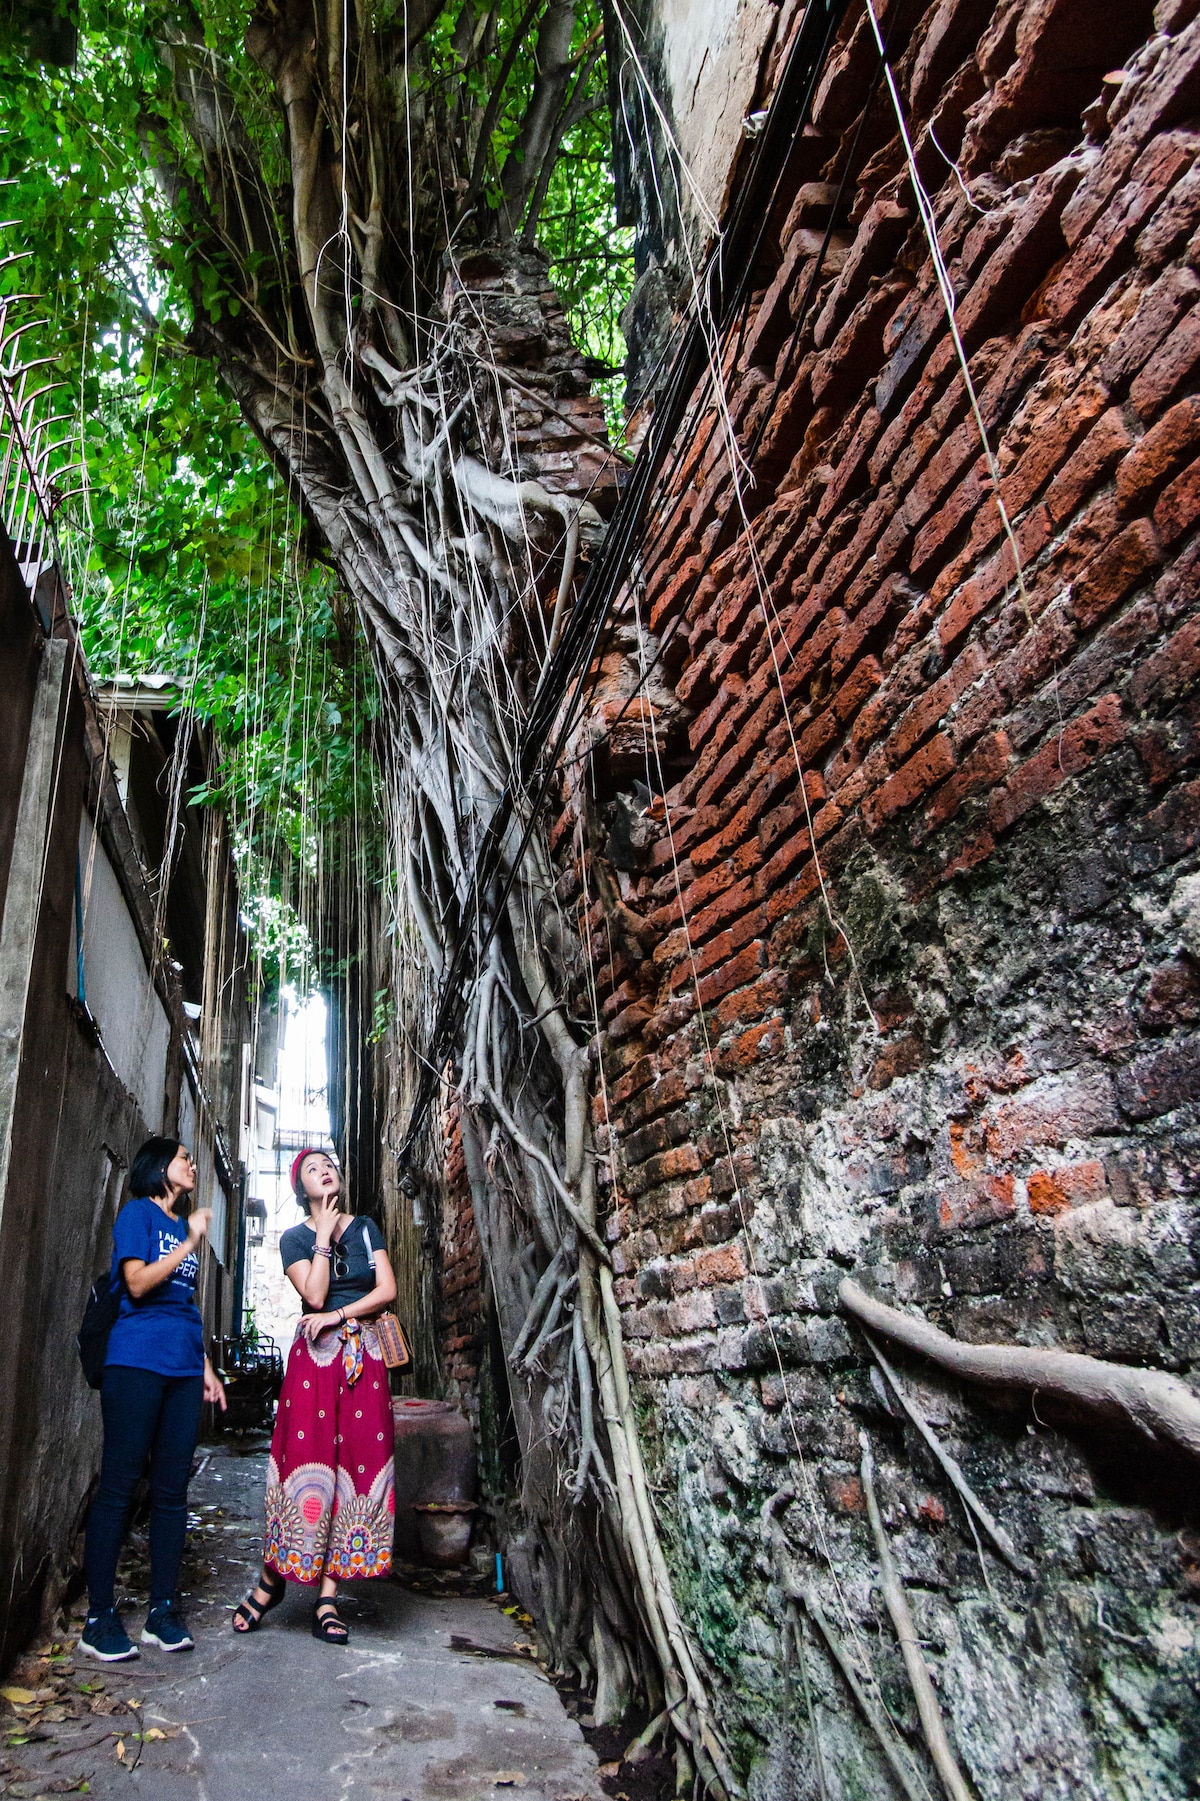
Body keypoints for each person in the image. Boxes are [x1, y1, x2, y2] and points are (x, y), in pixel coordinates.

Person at [233, 1148, 396, 1645]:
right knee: (304, 1466)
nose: (324, 1169)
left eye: (328, 1163)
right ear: (300, 1187)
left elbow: (386, 1289)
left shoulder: (367, 1227)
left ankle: (328, 1596)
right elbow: (316, 1295)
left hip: (362, 1359)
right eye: (311, 1168)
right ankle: (271, 1580)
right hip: (314, 1365)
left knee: (357, 1468)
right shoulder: (295, 1238)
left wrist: (343, 1318)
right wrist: (323, 1234)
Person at [80, 1137, 227, 1662]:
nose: (191, 1164)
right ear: (159, 1167)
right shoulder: (137, 1216)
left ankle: (162, 1612)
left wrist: (205, 1368)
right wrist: (188, 1242)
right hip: (134, 1364)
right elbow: (138, 1284)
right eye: (184, 1157)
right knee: (119, 1488)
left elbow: (183, 1306)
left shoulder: (179, 1224)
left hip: (182, 1370)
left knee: (171, 1493)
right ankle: (99, 1618)